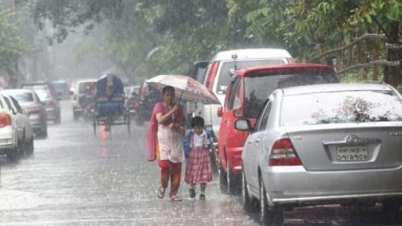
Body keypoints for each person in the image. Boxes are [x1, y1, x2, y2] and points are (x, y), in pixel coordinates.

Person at [147, 85, 186, 201]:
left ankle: (174, 193)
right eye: (168, 95)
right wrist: (172, 111)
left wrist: (177, 124)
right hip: (163, 141)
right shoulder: (159, 106)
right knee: (165, 166)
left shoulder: (179, 107)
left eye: (172, 95)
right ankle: (163, 186)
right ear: (163, 96)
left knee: (176, 168)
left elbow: (184, 121)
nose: (170, 97)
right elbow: (160, 120)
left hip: (176, 141)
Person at [184, 116, 214, 200]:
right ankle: (192, 188)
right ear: (193, 128)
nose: (198, 130)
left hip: (204, 156)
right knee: (193, 174)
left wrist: (216, 157)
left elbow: (211, 145)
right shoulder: (190, 135)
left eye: (199, 128)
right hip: (193, 156)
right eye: (196, 128)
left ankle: (202, 193)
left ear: (202, 127)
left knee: (203, 175)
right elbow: (185, 144)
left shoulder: (206, 134)